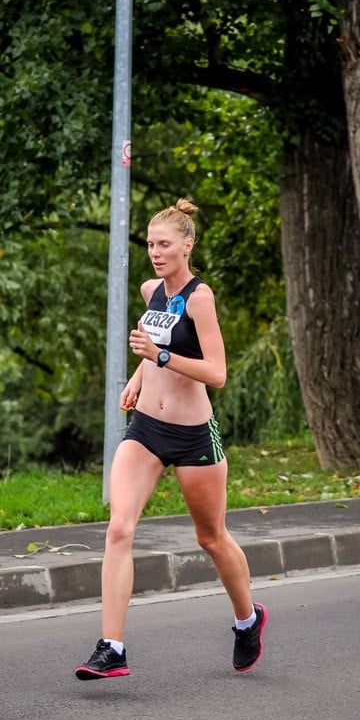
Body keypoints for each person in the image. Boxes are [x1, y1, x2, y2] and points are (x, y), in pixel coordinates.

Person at [75, 198, 268, 680]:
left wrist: (158, 359)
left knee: (212, 538)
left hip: (192, 435)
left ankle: (248, 620)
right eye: (149, 245)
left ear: (188, 244)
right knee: (119, 528)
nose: (156, 253)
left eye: (164, 245)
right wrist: (139, 377)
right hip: (145, 429)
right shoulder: (150, 290)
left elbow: (216, 373)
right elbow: (153, 346)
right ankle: (112, 647)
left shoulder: (201, 298)